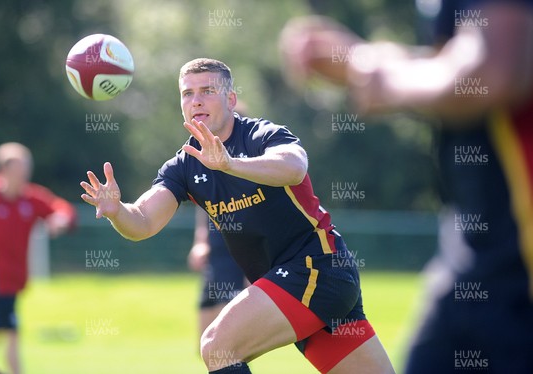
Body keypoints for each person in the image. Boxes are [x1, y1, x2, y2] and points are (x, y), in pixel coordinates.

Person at [81, 58, 395, 374]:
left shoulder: (261, 135)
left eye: (207, 90)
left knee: (218, 347)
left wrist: (230, 164)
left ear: (231, 100)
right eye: (187, 93)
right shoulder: (183, 166)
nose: (196, 100)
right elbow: (144, 222)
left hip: (316, 269)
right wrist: (117, 211)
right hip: (304, 287)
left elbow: (294, 167)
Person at [279, 0, 533, 372]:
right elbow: (463, 61)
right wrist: (361, 61)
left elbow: (493, 71)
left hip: (513, 273)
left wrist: (382, 79)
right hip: (484, 258)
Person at [0, 142, 76, 374]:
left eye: (26, 169)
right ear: (3, 170)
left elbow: (61, 208)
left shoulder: (29, 199)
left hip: (13, 282)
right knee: (9, 334)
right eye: (19, 169)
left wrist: (60, 220)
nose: (24, 175)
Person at [187, 101, 249, 339]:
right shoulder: (207, 165)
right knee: (205, 339)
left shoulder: (249, 167)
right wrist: (200, 241)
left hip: (238, 255)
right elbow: (204, 206)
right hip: (215, 252)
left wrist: (253, 267)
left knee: (226, 340)